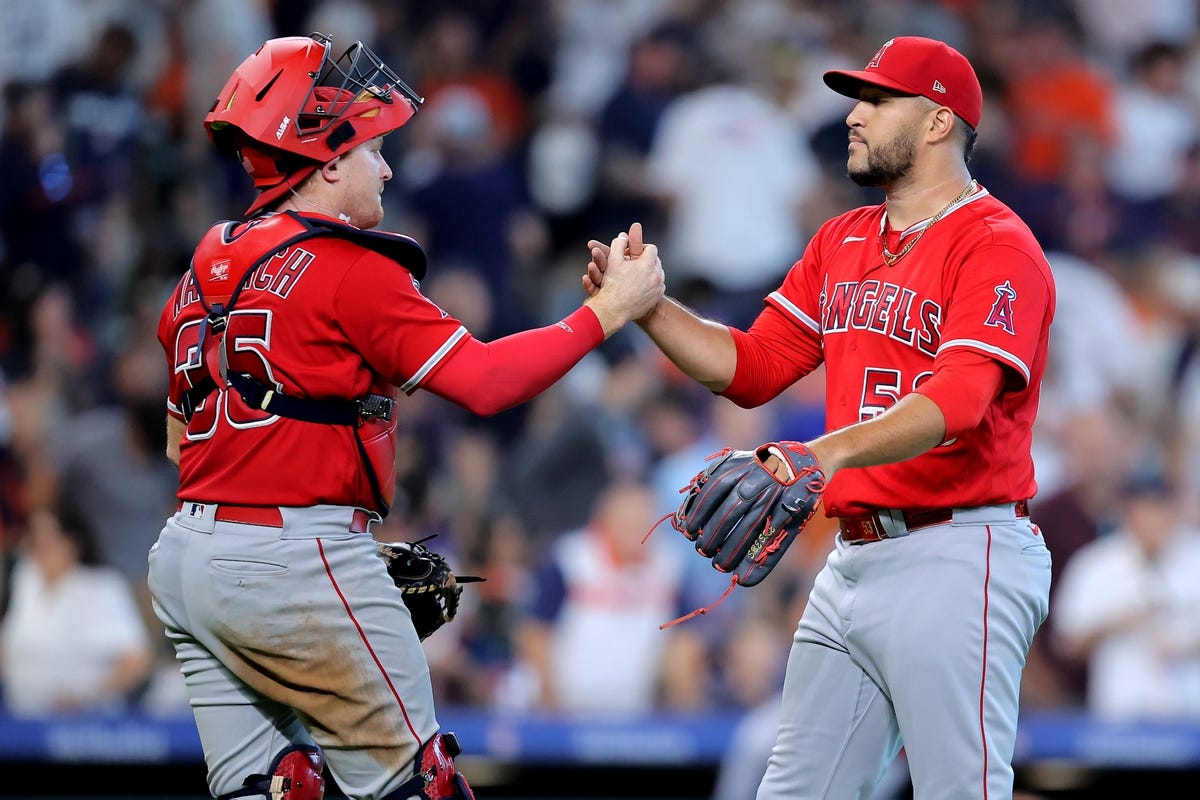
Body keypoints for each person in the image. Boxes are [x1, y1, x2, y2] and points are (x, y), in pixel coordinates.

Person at [149, 32, 663, 800]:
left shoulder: (208, 259)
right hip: (293, 557)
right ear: (325, 163)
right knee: (419, 788)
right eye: (371, 150)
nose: (387, 166)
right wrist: (606, 311)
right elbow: (486, 383)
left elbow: (178, 439)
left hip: (187, 560)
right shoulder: (349, 266)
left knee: (274, 790)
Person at [588, 35, 1055, 799]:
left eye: (877, 99)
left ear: (938, 122)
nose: (853, 115)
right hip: (855, 557)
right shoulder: (842, 239)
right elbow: (754, 366)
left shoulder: (997, 244)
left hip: (960, 550)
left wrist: (823, 453)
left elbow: (961, 400)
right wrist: (645, 308)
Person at [0, 499, 153, 716]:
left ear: (72, 543)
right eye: (34, 542)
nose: (39, 551)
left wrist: (85, 695)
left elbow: (135, 661)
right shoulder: (26, 579)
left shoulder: (103, 586)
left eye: (47, 542)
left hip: (90, 721)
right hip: (23, 718)